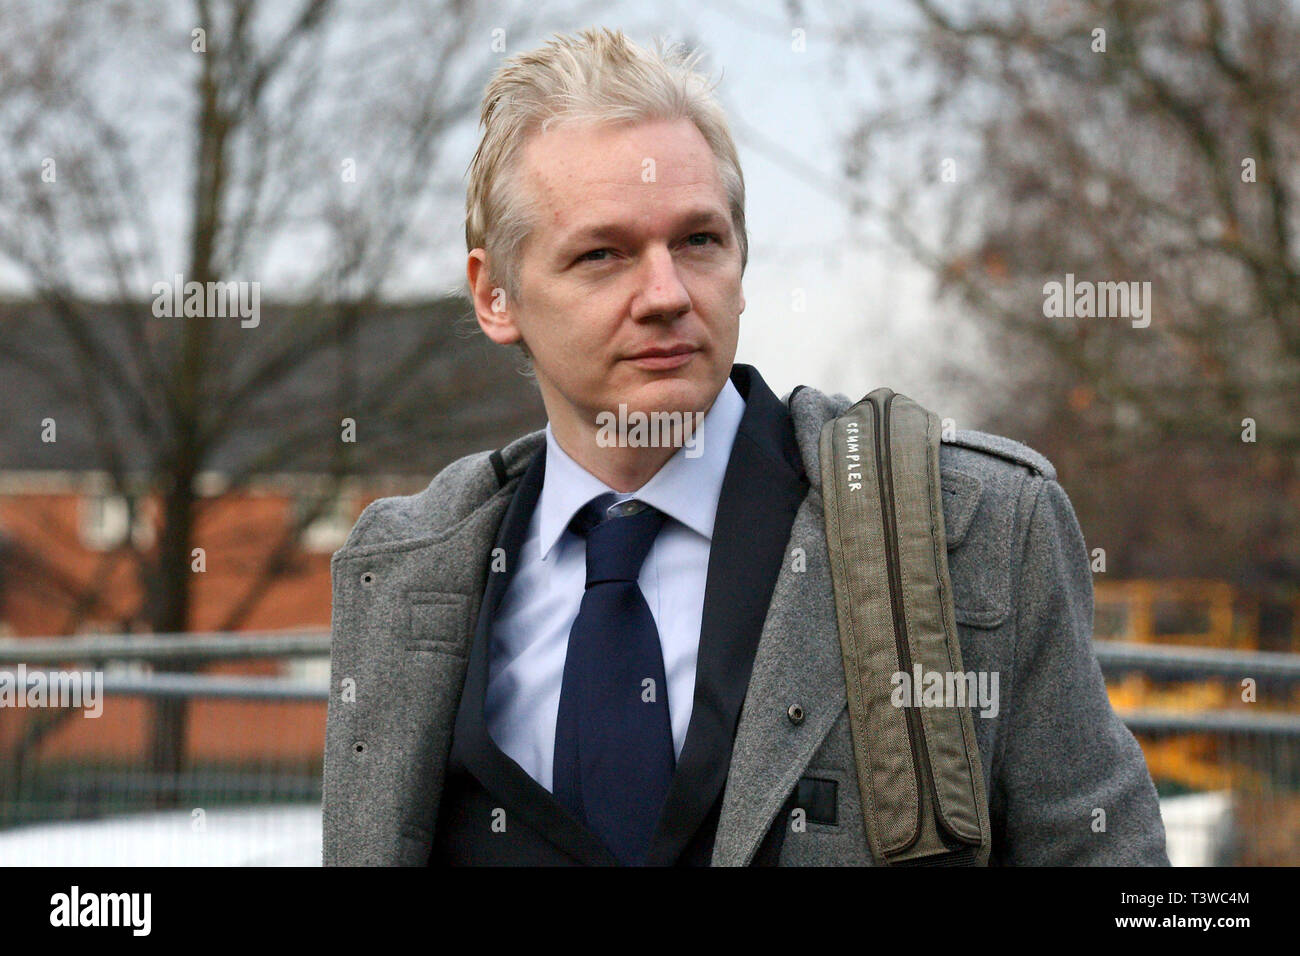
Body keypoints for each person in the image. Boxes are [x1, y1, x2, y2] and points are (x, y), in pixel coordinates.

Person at [322, 27, 1169, 866]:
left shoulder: (975, 528)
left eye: (697, 241)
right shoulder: (406, 571)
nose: (665, 294)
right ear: (494, 296)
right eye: (602, 254)